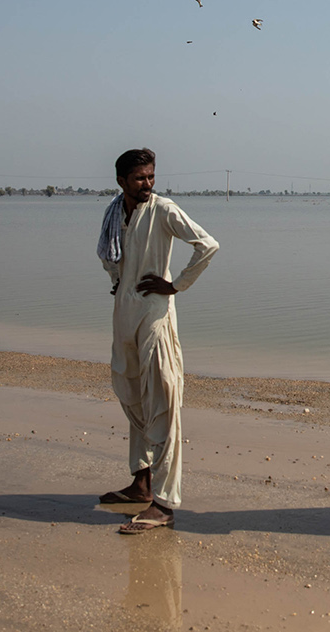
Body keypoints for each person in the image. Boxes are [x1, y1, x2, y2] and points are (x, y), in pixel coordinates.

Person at [96, 147, 219, 534]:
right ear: (121, 182)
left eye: (150, 176)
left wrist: (175, 285)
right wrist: (118, 282)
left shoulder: (163, 209)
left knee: (164, 397)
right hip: (125, 310)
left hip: (156, 315)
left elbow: (207, 244)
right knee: (132, 391)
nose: (147, 184)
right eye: (139, 178)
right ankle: (141, 482)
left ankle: (165, 503)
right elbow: (109, 258)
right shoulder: (115, 213)